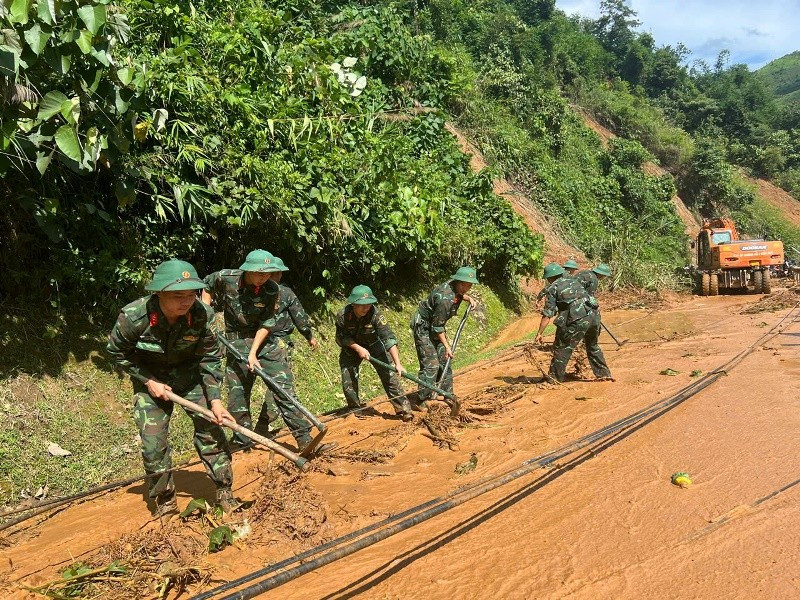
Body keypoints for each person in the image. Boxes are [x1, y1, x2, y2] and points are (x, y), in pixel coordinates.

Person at [107, 259, 237, 517]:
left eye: (191, 294)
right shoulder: (134, 317)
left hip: (190, 378)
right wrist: (147, 380)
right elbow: (116, 353)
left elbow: (210, 358)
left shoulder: (202, 315)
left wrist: (215, 400)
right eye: (178, 296)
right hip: (151, 379)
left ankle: (224, 491)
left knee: (211, 429)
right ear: (159, 293)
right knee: (153, 444)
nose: (186, 301)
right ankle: (165, 502)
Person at [247, 255, 336, 454]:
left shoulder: (253, 291)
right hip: (276, 343)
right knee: (281, 387)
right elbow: (300, 317)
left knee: (266, 387)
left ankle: (252, 432)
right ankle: (267, 426)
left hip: (250, 343)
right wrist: (309, 336)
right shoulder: (284, 292)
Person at [202, 250, 281, 449]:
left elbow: (267, 322)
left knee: (281, 384)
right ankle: (242, 439)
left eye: (268, 273)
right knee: (238, 391)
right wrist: (206, 312)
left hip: (262, 341)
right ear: (247, 270)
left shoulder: (271, 289)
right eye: (259, 273)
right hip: (234, 340)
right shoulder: (227, 278)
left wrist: (253, 352)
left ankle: (302, 435)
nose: (264, 277)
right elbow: (207, 285)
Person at [335, 285, 413, 421]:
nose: (366, 308)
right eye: (362, 305)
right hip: (351, 346)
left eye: (369, 304)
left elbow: (388, 339)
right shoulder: (342, 316)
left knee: (388, 374)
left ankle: (403, 408)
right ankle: (355, 408)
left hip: (373, 344)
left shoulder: (376, 315)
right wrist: (358, 348)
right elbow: (342, 338)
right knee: (348, 375)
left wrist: (398, 364)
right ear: (353, 304)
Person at [533, 262, 612, 383]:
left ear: (549, 278)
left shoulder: (553, 287)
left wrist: (539, 333)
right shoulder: (574, 281)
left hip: (576, 317)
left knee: (562, 348)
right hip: (594, 315)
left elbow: (547, 314)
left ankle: (554, 380)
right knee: (592, 346)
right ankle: (604, 374)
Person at [410, 267, 477, 408]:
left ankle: (447, 394)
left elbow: (457, 295)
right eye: (463, 284)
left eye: (469, 285)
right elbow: (437, 328)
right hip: (424, 328)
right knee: (431, 364)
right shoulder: (445, 298)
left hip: (435, 326)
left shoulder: (455, 289)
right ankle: (422, 399)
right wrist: (447, 346)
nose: (466, 288)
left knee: (445, 360)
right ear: (457, 281)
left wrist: (467, 298)